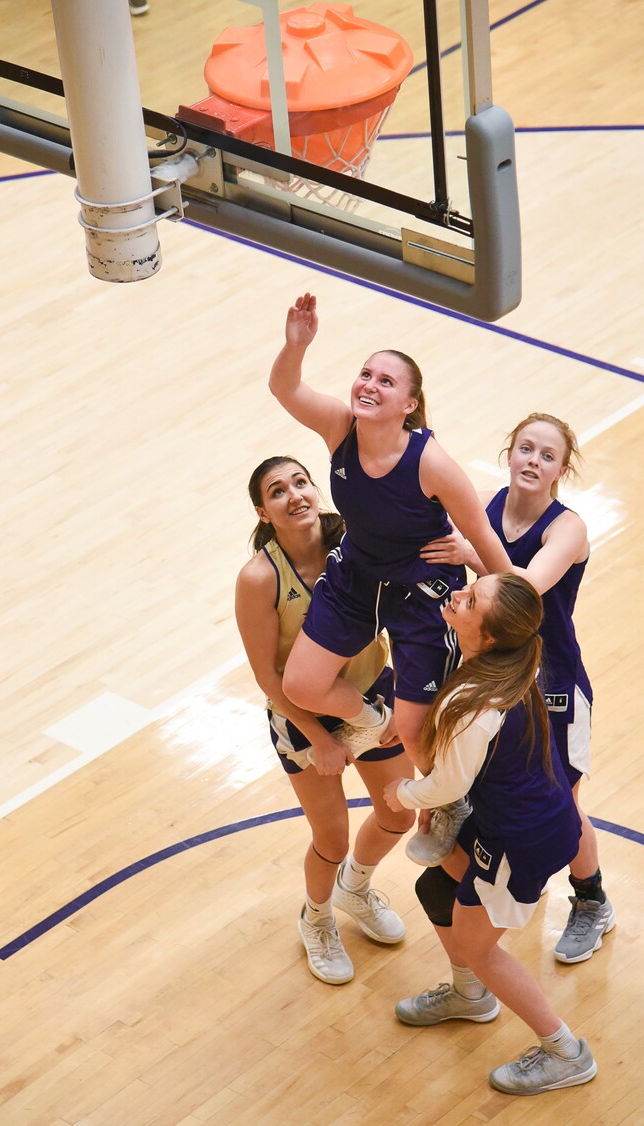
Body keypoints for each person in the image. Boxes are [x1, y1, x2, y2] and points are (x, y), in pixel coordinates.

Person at [268, 293, 513, 861]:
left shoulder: (432, 463)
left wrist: (517, 602)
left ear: (410, 403)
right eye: (364, 374)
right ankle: (370, 718)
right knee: (302, 686)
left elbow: (482, 536)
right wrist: (296, 345)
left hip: (421, 594)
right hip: (355, 576)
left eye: (385, 380)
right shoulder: (339, 428)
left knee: (416, 732)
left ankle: (445, 801)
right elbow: (285, 389)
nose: (369, 385)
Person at [384, 572, 597, 1096]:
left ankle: (564, 1051)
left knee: (481, 947)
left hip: (519, 839)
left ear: (492, 634)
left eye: (470, 599)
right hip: (522, 818)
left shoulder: (480, 705)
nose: (457, 595)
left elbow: (449, 781)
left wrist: (403, 795)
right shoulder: (506, 662)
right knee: (434, 886)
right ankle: (468, 995)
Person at [422, 412, 615, 963]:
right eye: (525, 448)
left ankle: (593, 901)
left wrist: (470, 554)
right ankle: (502, 884)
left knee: (564, 804)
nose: (533, 460)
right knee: (496, 786)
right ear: (509, 453)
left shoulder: (567, 527)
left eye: (547, 455)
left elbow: (522, 588)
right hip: (494, 680)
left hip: (552, 684)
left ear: (561, 469)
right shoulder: (481, 502)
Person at [235, 455, 415, 986]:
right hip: (304, 719)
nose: (293, 495)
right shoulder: (259, 577)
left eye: (300, 481)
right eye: (276, 491)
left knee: (398, 814)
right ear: (263, 512)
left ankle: (354, 889)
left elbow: (405, 616)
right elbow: (270, 679)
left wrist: (404, 692)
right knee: (331, 840)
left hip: (374, 695)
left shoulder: (354, 544)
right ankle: (315, 919)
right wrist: (320, 738)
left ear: (316, 488)